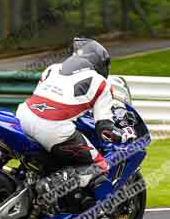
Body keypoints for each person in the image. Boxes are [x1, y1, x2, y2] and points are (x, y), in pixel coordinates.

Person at [16, 38, 137, 200]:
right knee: (99, 166)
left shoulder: (52, 69)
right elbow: (105, 129)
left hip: (22, 116)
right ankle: (49, 188)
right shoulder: (101, 83)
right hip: (52, 128)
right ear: (100, 63)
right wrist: (124, 134)